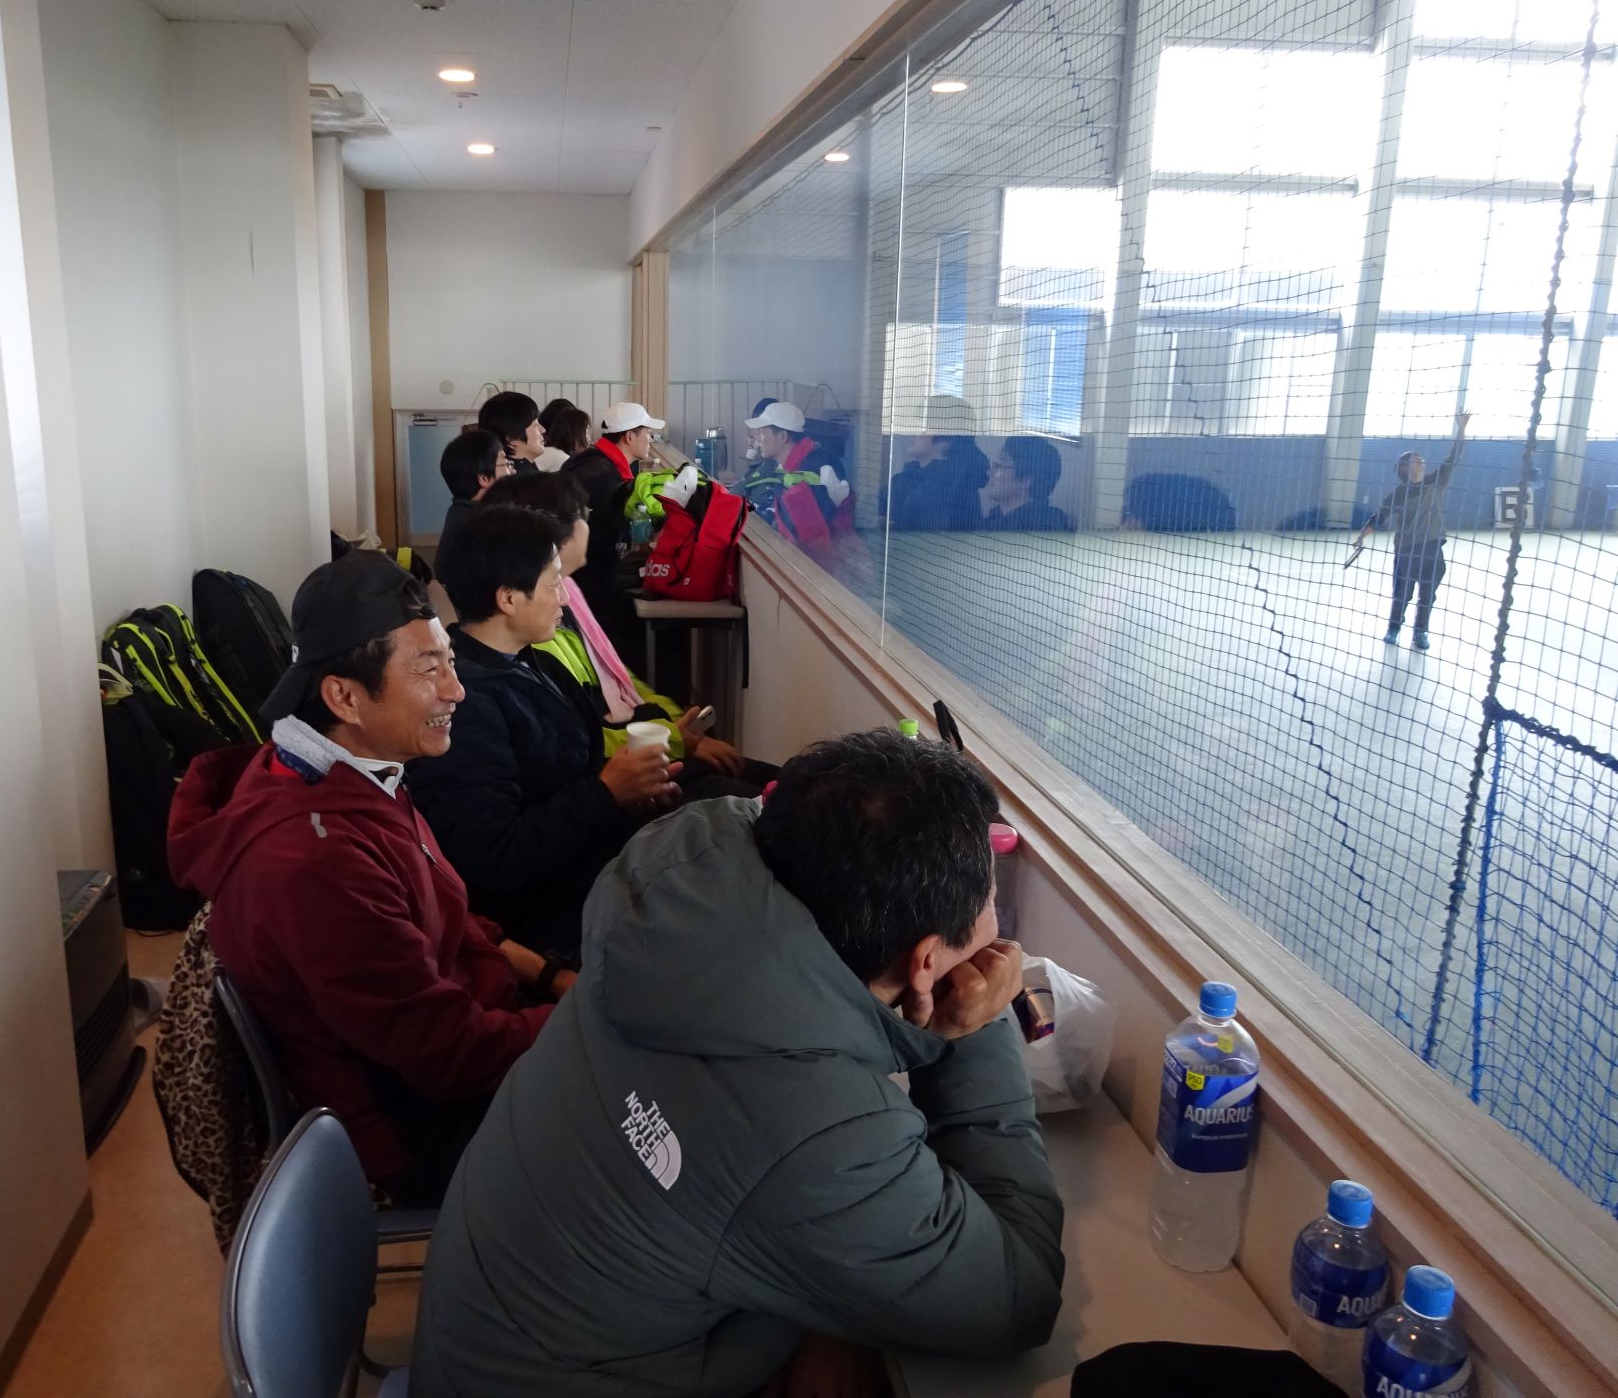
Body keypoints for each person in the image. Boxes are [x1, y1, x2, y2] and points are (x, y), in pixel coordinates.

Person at [411, 729, 1065, 1397]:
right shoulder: (817, 1133)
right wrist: (972, 1031)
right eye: (990, 907)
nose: (996, 925)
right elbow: (1019, 1297)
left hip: (489, 1341)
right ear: (927, 962)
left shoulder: (684, 892)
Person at [167, 554, 565, 1206]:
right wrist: (585, 1021)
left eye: (450, 663)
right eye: (428, 670)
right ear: (344, 697)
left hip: (460, 1042)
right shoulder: (313, 861)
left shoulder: (344, 770)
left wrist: (550, 979)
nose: (456, 691)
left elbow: (446, 912)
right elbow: (450, 1057)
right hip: (410, 1130)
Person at [408, 505, 681, 960]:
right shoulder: (464, 703)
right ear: (508, 598)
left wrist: (632, 793)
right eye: (554, 583)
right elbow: (493, 857)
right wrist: (606, 793)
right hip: (551, 916)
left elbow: (575, 777)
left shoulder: (533, 661)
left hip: (597, 860)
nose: (565, 598)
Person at [481, 469, 775, 788]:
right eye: (584, 515)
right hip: (624, 765)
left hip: (643, 742)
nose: (589, 524)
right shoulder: (536, 634)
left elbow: (621, 678)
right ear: (554, 532)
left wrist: (677, 724)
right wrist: (676, 738)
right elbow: (580, 739)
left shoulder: (567, 595)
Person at [1353, 412, 1471, 650]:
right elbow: (1379, 517)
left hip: (1432, 545)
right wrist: (1361, 537)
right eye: (1415, 459)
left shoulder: (1436, 481)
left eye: (1421, 459)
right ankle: (1394, 628)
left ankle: (1420, 632)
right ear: (1405, 468)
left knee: (1428, 594)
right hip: (1406, 549)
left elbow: (1453, 458)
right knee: (1402, 593)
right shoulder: (1398, 494)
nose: (1421, 461)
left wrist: (1462, 429)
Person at [566, 400, 668, 654]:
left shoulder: (596, 462)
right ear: (630, 437)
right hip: (588, 580)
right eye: (647, 433)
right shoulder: (602, 475)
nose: (650, 440)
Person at [883, 396, 990, 531]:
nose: (911, 433)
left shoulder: (949, 486)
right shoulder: (908, 478)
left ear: (946, 437)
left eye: (920, 427)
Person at [434, 427, 514, 586]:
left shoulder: (461, 513)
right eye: (505, 464)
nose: (513, 471)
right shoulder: (483, 525)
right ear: (484, 478)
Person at [981, 435, 1074, 531]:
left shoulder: (1035, 531)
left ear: (1026, 480)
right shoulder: (996, 519)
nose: (989, 473)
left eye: (999, 466)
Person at [478, 390, 548, 471]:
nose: (543, 430)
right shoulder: (515, 476)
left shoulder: (525, 467)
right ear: (512, 438)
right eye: (534, 424)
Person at [538, 402, 591, 475]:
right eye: (585, 432)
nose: (588, 439)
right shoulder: (559, 457)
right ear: (572, 434)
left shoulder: (553, 452)